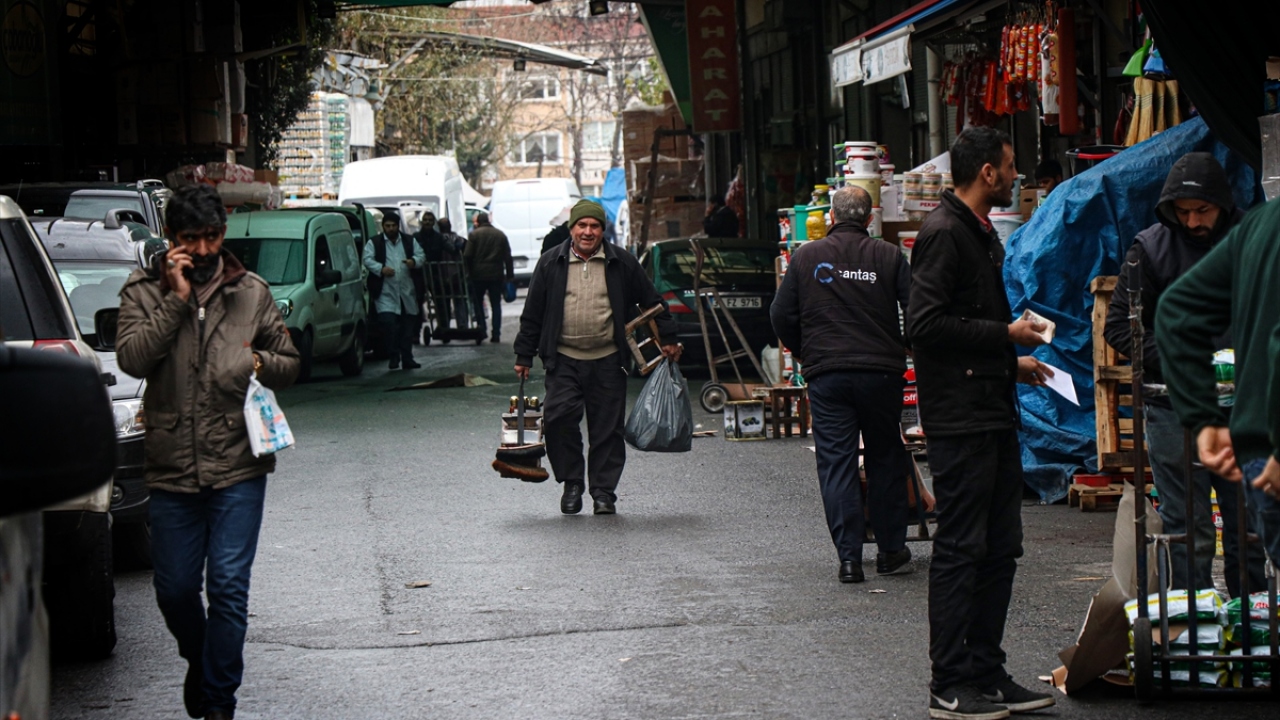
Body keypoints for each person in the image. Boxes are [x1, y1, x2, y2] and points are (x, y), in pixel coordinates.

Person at [115, 184, 300, 720]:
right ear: (171, 237)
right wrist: (175, 301)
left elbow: (288, 363)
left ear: (223, 233)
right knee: (174, 590)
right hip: (171, 467)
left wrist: (255, 363)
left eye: (212, 237)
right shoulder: (143, 291)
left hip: (239, 464)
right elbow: (132, 359)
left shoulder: (251, 291)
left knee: (227, 587)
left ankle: (219, 703)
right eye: (190, 238)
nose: (202, 250)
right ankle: (201, 660)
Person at [906, 127, 1057, 720]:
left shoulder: (978, 231)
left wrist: (1011, 362)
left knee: (1000, 548)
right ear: (987, 173)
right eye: (1011, 166)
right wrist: (1005, 335)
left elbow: (961, 330)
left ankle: (986, 673)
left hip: (992, 409)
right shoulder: (945, 233)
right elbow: (924, 326)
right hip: (961, 419)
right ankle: (949, 682)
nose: (1017, 176)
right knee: (962, 548)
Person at [1104, 152, 1265, 598]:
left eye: (1202, 210)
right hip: (1173, 406)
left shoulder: (1251, 242)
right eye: (1183, 211)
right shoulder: (1150, 248)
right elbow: (1120, 327)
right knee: (1187, 528)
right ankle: (1193, 621)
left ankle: (1251, 622)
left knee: (1249, 525)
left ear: (1222, 204)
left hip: (1242, 406)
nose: (1192, 221)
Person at [770, 185, 914, 584]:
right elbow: (916, 309)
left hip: (828, 374)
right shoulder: (889, 255)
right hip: (881, 373)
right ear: (868, 219)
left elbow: (780, 314)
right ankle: (890, 551)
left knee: (837, 462)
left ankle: (849, 559)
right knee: (885, 457)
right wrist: (906, 346)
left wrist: (804, 352)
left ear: (831, 217)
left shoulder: (806, 256)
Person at [514, 199, 681, 515]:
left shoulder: (622, 262)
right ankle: (572, 483)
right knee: (558, 418)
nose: (588, 232)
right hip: (563, 358)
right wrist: (524, 354)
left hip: (608, 358)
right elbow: (533, 312)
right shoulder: (551, 263)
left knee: (607, 429)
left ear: (602, 230)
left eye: (594, 226)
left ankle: (603, 492)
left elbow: (652, 300)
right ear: (572, 229)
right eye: (582, 225)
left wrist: (669, 337)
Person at [1156, 198, 1280, 567]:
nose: (1193, 222)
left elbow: (1177, 311)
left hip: (1260, 459)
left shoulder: (1263, 223)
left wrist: (1204, 418)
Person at [364, 211, 424, 369]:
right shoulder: (374, 243)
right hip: (385, 292)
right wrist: (380, 269)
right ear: (383, 226)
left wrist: (413, 262)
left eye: (393, 226)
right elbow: (367, 259)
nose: (390, 229)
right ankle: (393, 355)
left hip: (406, 291)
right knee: (389, 324)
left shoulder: (409, 241)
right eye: (387, 226)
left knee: (407, 328)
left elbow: (421, 256)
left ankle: (407, 358)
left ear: (398, 226)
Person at [464, 211, 514, 343]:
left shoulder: (474, 235)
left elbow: (467, 255)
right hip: (496, 274)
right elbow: (508, 257)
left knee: (478, 303)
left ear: (478, 222)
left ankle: (482, 329)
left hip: (478, 275)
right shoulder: (500, 235)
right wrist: (510, 276)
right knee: (496, 304)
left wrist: (468, 272)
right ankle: (496, 333)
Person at [435, 217, 471, 330]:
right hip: (457, 274)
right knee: (460, 300)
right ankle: (462, 324)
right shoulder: (460, 239)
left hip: (441, 275)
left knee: (443, 302)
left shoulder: (437, 240)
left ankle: (444, 325)